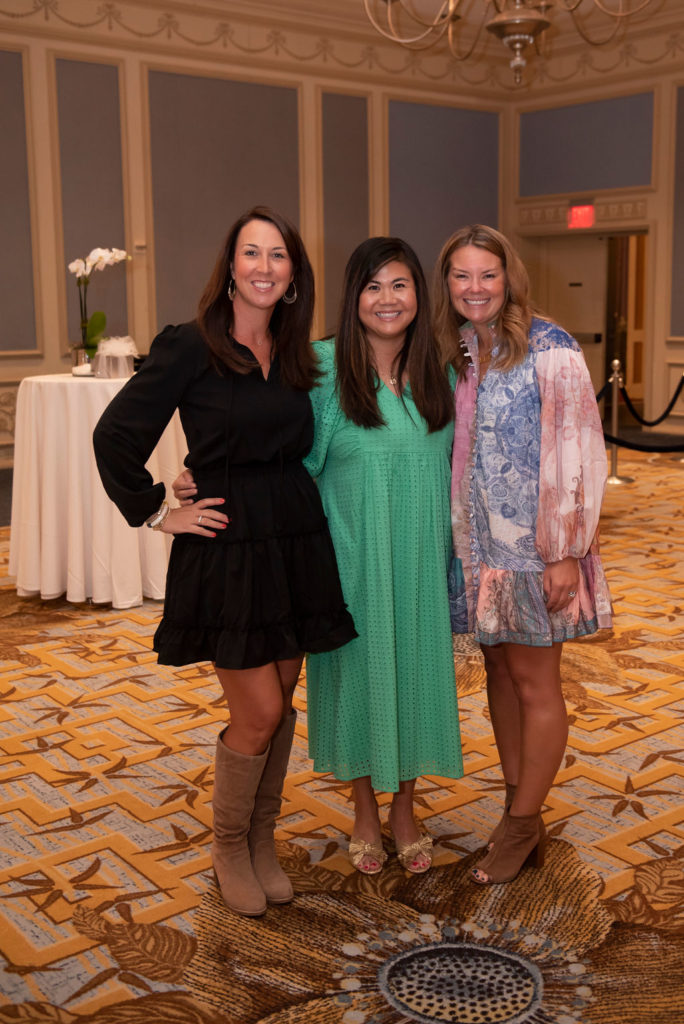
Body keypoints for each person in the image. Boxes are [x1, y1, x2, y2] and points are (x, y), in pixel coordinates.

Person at [93, 206, 356, 918]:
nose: (265, 267)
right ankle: (228, 846)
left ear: (293, 275)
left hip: (294, 537)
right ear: (231, 268)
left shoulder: (299, 355)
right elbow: (114, 435)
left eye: (278, 255)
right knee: (258, 710)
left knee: (281, 704)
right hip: (229, 546)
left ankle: (261, 843)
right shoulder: (190, 345)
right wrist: (158, 507)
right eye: (252, 253)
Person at [433, 224, 612, 885]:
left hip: (535, 551)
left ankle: (518, 825)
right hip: (478, 552)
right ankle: (520, 810)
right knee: (500, 675)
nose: (475, 287)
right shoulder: (455, 349)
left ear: (508, 277)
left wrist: (564, 550)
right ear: (446, 283)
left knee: (536, 683)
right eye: (461, 275)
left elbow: (577, 447)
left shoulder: (549, 347)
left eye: (488, 274)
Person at [305, 237, 463, 875]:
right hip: (351, 560)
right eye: (373, 286)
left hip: (422, 560)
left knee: (415, 679)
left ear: (418, 294)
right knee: (359, 680)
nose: (387, 299)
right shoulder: (321, 369)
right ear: (354, 297)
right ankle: (365, 809)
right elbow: (285, 460)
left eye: (400, 285)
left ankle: (405, 808)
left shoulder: (441, 373)